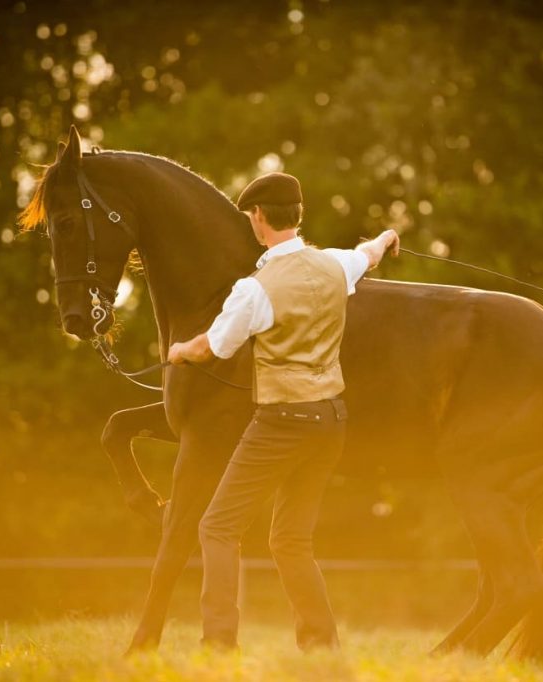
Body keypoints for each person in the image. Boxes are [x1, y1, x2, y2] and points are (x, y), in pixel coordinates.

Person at [166, 172, 399, 650]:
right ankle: (320, 646)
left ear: (257, 218)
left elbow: (215, 347)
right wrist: (387, 236)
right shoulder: (335, 265)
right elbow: (367, 255)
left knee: (217, 526)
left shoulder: (254, 289)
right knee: (291, 540)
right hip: (331, 420)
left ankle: (218, 646)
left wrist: (179, 350)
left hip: (282, 422)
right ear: (298, 215)